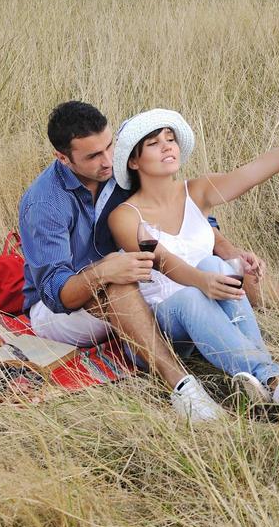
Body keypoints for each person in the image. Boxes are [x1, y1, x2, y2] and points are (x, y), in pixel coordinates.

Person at [103, 108, 279, 414]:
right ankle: (276, 380)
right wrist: (203, 282)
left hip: (211, 306)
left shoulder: (196, 191)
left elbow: (251, 173)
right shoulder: (125, 216)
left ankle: (268, 383)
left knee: (217, 266)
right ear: (134, 160)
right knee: (195, 290)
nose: (168, 146)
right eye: (154, 143)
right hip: (164, 322)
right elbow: (163, 262)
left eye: (171, 139)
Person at [19, 101, 227, 422]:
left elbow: (173, 201)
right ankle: (184, 389)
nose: (107, 161)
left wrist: (223, 244)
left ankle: (259, 367)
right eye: (92, 156)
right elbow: (58, 296)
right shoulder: (44, 203)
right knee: (120, 284)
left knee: (208, 265)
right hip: (57, 311)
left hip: (123, 273)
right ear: (63, 158)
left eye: (109, 146)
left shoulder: (119, 166)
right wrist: (103, 271)